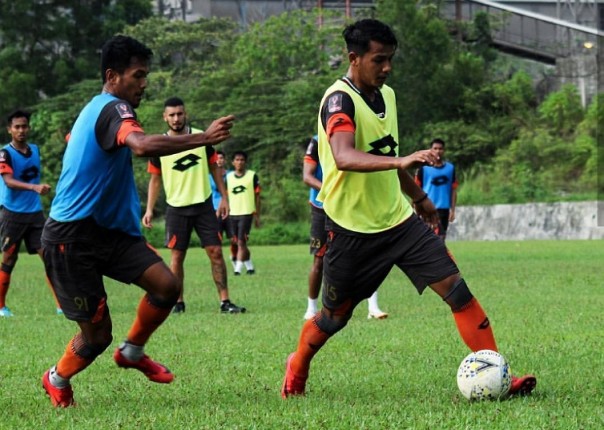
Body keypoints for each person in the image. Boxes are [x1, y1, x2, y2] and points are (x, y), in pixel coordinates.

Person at [281, 19, 536, 399]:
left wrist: (418, 198)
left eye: (390, 60)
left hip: (399, 222)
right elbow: (345, 155)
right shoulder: (339, 100)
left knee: (456, 290)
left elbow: (387, 156)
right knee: (334, 317)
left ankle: (497, 372)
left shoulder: (389, 96)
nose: (386, 68)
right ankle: (297, 364)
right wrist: (405, 162)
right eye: (379, 59)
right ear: (354, 58)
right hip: (351, 229)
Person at [40, 35, 235, 408]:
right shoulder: (114, 109)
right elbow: (142, 145)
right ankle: (57, 378)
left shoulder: (100, 109)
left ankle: (132, 351)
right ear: (113, 76)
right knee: (96, 337)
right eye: (138, 75)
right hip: (71, 237)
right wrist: (203, 138)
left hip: (109, 232)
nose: (144, 83)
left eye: (145, 75)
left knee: (166, 285)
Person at [142, 97, 245, 315]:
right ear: (165, 117)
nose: (176, 118)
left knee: (216, 252)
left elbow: (215, 170)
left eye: (179, 114)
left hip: (204, 207)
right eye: (171, 115)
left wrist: (224, 198)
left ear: (185, 114)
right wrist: (149, 209)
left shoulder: (202, 138)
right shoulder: (159, 145)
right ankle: (177, 302)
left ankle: (225, 302)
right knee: (177, 257)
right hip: (176, 209)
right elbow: (155, 179)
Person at [303, 135, 387, 320]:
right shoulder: (316, 141)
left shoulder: (355, 135)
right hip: (321, 206)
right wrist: (330, 192)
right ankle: (311, 309)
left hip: (351, 203)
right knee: (319, 260)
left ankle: (373, 307)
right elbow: (307, 176)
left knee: (365, 255)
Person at [0, 110, 62, 317]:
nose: (21, 130)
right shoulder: (4, 153)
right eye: (17, 127)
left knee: (50, 257)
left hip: (35, 214)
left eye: (24, 126)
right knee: (9, 259)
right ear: (9, 129)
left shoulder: (35, 149)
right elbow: (8, 181)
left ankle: (61, 305)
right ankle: (1, 307)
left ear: (29, 128)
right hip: (12, 214)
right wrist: (34, 188)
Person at [414, 138, 457, 241]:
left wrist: (453, 210)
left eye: (440, 149)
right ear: (431, 150)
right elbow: (415, 189)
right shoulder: (423, 168)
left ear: (444, 150)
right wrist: (415, 208)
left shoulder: (450, 168)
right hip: (426, 208)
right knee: (426, 238)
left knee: (441, 238)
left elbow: (453, 190)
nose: (438, 151)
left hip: (443, 209)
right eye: (435, 148)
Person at [225, 151, 260, 275]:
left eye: (242, 160)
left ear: (245, 162)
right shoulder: (228, 177)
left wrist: (257, 214)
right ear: (233, 162)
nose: (239, 162)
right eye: (237, 160)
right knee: (236, 241)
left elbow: (257, 196)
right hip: (232, 213)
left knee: (241, 241)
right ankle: (249, 266)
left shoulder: (252, 176)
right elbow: (225, 196)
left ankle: (237, 269)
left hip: (246, 213)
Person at [209, 150, 236, 266]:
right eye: (217, 158)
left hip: (231, 209)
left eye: (221, 158)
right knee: (217, 239)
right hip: (215, 210)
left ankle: (235, 258)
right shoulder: (208, 176)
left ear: (225, 160)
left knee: (234, 239)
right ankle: (220, 261)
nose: (219, 160)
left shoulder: (231, 175)